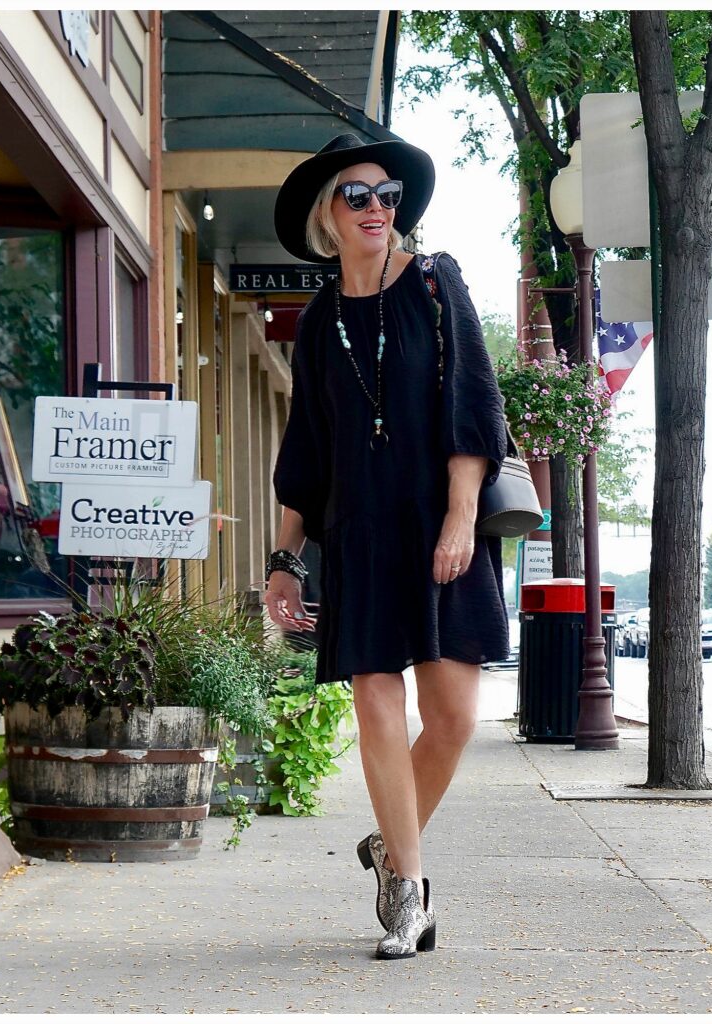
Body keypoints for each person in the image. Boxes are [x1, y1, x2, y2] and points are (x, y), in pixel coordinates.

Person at [265, 133, 510, 960]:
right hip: (360, 535)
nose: (378, 209)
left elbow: (476, 406)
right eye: (358, 196)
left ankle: (384, 844)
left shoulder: (436, 284)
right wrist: (283, 559)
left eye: (388, 195)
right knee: (376, 700)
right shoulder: (318, 321)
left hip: (439, 520)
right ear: (326, 217)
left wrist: (461, 516)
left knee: (451, 720)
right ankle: (408, 893)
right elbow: (307, 450)